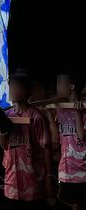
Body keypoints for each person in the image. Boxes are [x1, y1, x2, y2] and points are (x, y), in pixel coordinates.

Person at [0, 71, 54, 209]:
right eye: (12, 87)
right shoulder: (5, 116)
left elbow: (46, 148)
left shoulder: (36, 117)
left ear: (27, 91)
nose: (14, 90)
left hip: (33, 181)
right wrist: (2, 128)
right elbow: (4, 146)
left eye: (18, 87)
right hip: (11, 182)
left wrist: (49, 177)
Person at [53, 71, 85, 210]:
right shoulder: (60, 110)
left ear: (71, 86)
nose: (57, 88)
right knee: (70, 202)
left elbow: (82, 136)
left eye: (60, 84)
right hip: (66, 169)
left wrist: (77, 113)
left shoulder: (83, 108)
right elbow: (56, 138)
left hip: (82, 169)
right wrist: (49, 115)